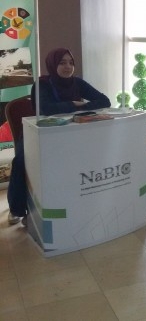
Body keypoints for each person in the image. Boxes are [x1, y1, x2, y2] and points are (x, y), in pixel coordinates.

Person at [7, 47, 111, 225]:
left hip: (68, 134)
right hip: (39, 134)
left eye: (70, 62)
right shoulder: (43, 84)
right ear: (52, 64)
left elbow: (104, 101)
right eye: (62, 63)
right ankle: (17, 208)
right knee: (21, 161)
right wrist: (73, 104)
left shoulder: (77, 82)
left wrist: (80, 106)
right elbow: (46, 109)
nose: (67, 67)